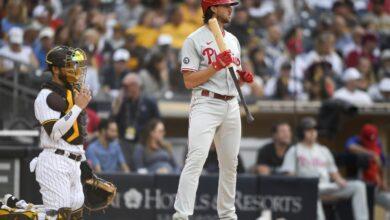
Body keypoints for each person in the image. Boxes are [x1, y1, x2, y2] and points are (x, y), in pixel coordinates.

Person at [173, 1, 254, 219]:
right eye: (226, 5)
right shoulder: (194, 39)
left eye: (230, 5)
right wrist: (215, 66)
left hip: (231, 104)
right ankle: (181, 214)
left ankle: (227, 215)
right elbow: (189, 81)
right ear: (213, 8)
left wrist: (242, 78)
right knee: (196, 158)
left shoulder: (233, 40)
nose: (231, 9)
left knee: (230, 163)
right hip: (206, 103)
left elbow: (231, 74)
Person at [30, 46, 91, 218]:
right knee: (59, 217)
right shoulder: (45, 96)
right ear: (55, 69)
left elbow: (76, 134)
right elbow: (55, 133)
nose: (76, 70)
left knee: (76, 215)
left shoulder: (72, 93)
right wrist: (78, 107)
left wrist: (84, 163)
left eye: (77, 65)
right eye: (70, 65)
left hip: (74, 161)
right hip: (55, 162)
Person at [280, 117, 369, 220]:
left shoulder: (323, 150)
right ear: (302, 132)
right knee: (312, 193)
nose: (313, 133)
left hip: (326, 186)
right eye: (309, 130)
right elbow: (288, 175)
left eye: (314, 130)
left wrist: (340, 180)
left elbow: (333, 172)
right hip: (308, 187)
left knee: (358, 186)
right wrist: (299, 186)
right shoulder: (294, 150)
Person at [346, 124, 390, 210]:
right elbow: (349, 146)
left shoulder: (378, 143)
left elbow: (382, 164)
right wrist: (371, 153)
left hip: (376, 186)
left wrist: (383, 181)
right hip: (359, 185)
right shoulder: (356, 140)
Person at [112, 73, 160, 142]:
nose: (124, 89)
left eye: (126, 87)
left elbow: (157, 121)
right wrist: (116, 106)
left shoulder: (149, 102)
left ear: (135, 86)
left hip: (144, 141)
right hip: (124, 140)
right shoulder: (122, 101)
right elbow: (112, 121)